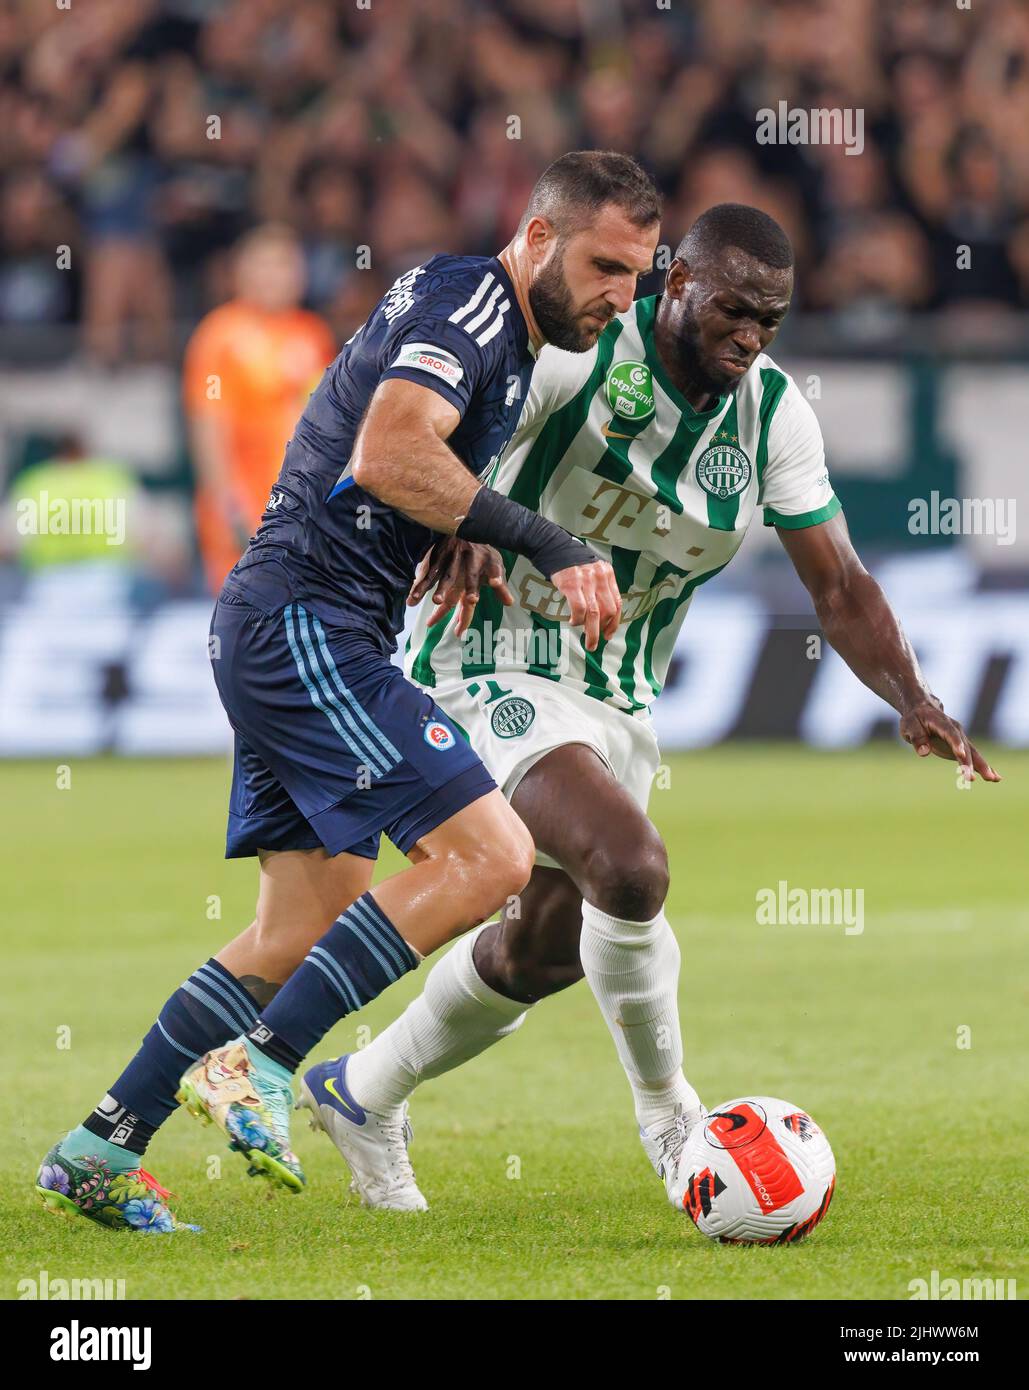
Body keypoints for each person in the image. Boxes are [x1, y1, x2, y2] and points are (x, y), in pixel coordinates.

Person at [293, 204, 1001, 1212]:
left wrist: (914, 696)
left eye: (772, 319)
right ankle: (674, 1121)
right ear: (678, 283)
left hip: (618, 700)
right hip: (489, 665)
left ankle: (361, 1091)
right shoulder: (579, 358)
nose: (752, 335)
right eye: (735, 308)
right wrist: (462, 519)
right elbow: (433, 447)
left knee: (543, 946)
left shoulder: (771, 418)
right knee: (631, 866)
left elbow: (838, 586)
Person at [35, 151, 659, 1233]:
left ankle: (100, 1145)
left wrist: (460, 530)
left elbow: (412, 456)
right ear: (543, 236)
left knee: (300, 927)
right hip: (307, 619)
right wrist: (543, 541)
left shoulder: (494, 326)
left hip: (295, 620)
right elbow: (386, 452)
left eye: (641, 279)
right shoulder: (475, 298)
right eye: (608, 267)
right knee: (493, 857)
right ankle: (264, 1067)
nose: (622, 298)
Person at [182, 224, 337, 594]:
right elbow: (208, 426)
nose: (274, 276)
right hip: (244, 511)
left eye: (284, 265)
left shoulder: (312, 333)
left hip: (305, 513)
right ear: (240, 272)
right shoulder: (220, 335)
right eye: (263, 265)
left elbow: (329, 424)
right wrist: (228, 509)